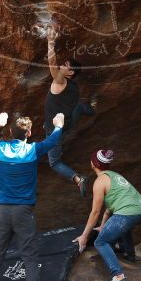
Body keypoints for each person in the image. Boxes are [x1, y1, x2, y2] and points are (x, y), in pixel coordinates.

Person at [0, 112, 64, 281]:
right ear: (30, 133)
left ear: (9, 132)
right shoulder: (33, 150)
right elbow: (52, 141)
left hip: (2, 211)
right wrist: (58, 124)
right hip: (23, 211)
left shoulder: (0, 148)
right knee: (30, 257)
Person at [73, 149, 141, 281]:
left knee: (101, 241)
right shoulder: (114, 176)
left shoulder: (99, 182)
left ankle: (118, 276)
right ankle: (129, 254)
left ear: (93, 164)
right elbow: (109, 208)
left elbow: (95, 212)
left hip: (127, 212)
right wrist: (103, 226)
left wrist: (84, 236)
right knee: (122, 226)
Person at [44, 25, 97, 197]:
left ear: (71, 73)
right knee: (78, 107)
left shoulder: (60, 83)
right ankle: (91, 108)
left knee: (54, 162)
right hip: (68, 120)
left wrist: (50, 43)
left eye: (65, 66)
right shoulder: (73, 85)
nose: (61, 66)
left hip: (56, 130)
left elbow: (52, 66)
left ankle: (77, 178)